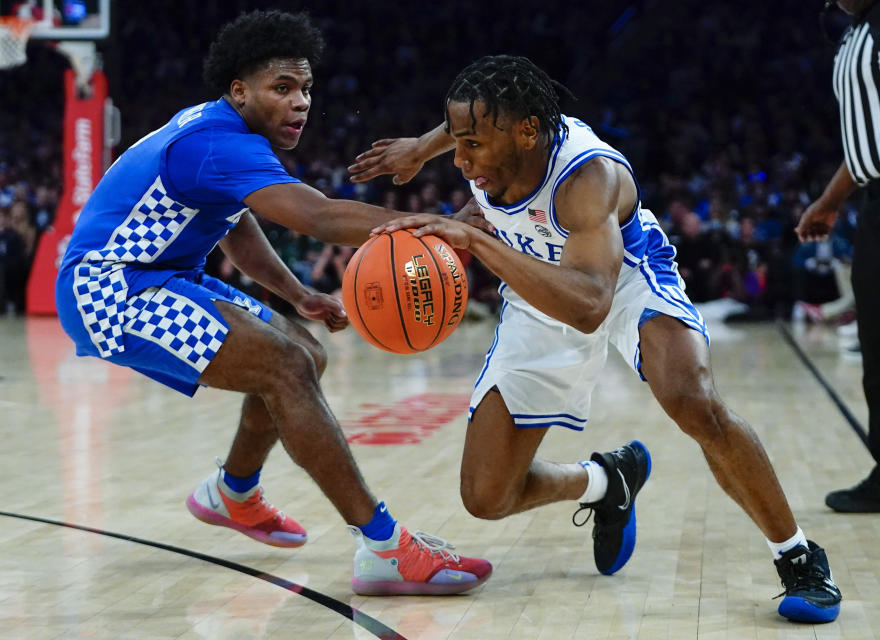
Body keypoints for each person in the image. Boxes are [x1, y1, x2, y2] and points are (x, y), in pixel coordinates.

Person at [349, 55, 842, 622]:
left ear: (527, 131)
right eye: (454, 142)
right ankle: (606, 481)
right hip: (535, 288)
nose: (460, 160)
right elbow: (475, 113)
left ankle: (799, 556)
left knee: (693, 402)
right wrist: (419, 146)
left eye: (471, 145)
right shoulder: (492, 135)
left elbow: (589, 307)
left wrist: (476, 241)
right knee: (487, 496)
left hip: (620, 279)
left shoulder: (587, 177)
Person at [54, 10, 491, 596]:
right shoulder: (218, 145)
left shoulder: (221, 132)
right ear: (240, 91)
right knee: (285, 367)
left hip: (160, 274)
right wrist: (440, 228)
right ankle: (384, 547)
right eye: (281, 89)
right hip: (108, 289)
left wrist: (297, 293)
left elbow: (233, 225)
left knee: (304, 354)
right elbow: (321, 217)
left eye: (305, 89)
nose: (300, 102)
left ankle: (232, 492)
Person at [796, 0, 880, 511]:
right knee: (875, 345)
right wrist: (830, 200)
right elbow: (867, 143)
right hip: (873, 202)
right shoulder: (853, 33)